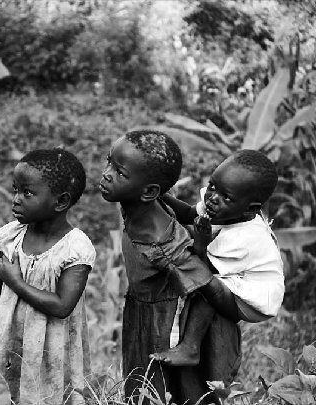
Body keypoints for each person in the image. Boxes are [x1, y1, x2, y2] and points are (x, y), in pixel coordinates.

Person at [99, 130, 241, 405]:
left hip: (163, 322)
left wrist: (191, 343)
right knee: (139, 383)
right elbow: (187, 211)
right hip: (141, 309)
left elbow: (206, 284)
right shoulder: (143, 200)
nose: (106, 174)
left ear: (149, 191)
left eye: (119, 172)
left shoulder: (164, 243)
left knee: (163, 390)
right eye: (109, 163)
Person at [0, 148, 96, 405]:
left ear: (60, 202)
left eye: (27, 193)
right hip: (10, 344)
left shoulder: (75, 249)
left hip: (54, 351)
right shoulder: (8, 238)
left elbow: (62, 306)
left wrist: (16, 282)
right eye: (15, 189)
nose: (15, 199)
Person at [152, 149, 284, 366]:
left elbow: (203, 272)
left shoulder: (246, 237)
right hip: (235, 276)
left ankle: (190, 348)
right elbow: (187, 213)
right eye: (213, 186)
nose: (213, 198)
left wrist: (201, 243)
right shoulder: (225, 204)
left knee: (208, 290)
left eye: (226, 197)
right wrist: (162, 195)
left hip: (252, 299)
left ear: (250, 209)